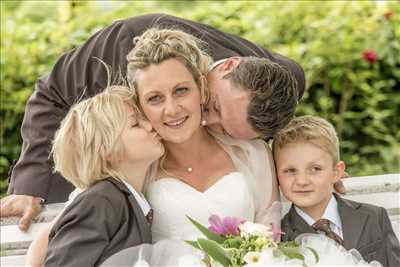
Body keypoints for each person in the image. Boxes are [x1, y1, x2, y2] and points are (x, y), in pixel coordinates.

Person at [1, 13, 306, 231]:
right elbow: (51, 93)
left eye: (227, 131)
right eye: (212, 106)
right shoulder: (121, 48)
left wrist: (303, 163)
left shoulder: (282, 82)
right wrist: (30, 186)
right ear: (228, 65)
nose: (206, 121)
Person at [26, 27, 281, 266]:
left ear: (201, 88)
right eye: (155, 98)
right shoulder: (133, 165)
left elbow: (269, 241)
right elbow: (43, 250)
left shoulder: (251, 153)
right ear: (140, 103)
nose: (171, 110)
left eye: (181, 90)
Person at [32, 85, 164, 266]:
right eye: (135, 124)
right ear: (106, 150)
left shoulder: (127, 198)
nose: (149, 125)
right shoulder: (100, 201)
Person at [274, 116, 400, 267]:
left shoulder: (374, 217)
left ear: (336, 172)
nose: (302, 181)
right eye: (290, 170)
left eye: (315, 169)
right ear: (276, 176)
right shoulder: (279, 238)